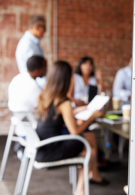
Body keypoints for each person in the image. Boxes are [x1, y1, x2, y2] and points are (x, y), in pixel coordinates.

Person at [36, 61, 109, 195]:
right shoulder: (64, 102)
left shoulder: (46, 96)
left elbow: (57, 115)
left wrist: (78, 110)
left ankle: (94, 174)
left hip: (40, 147)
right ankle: (81, 190)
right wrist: (92, 116)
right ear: (66, 79)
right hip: (51, 149)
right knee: (89, 150)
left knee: (90, 137)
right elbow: (74, 131)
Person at [15, 15, 46, 88]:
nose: (45, 31)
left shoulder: (34, 43)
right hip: (33, 86)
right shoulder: (27, 45)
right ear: (37, 27)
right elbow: (35, 70)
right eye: (44, 28)